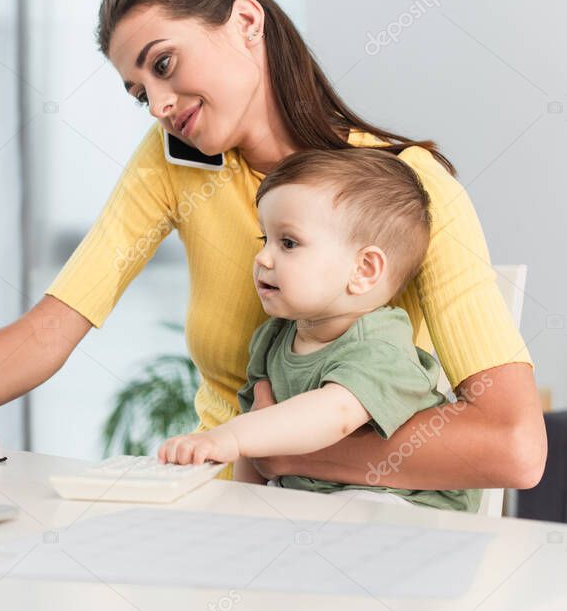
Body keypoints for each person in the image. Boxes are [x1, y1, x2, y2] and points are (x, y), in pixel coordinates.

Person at [0, 0, 545, 491]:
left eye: (164, 63)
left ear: (246, 23)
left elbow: (513, 448)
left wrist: (271, 451)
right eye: (135, 89)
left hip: (354, 513)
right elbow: (54, 326)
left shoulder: (405, 187)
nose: (156, 104)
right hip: (221, 498)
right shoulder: (173, 162)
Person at [158, 148, 482, 512]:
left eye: (289, 243)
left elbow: (335, 415)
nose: (263, 258)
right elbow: (257, 434)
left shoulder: (380, 343)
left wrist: (229, 437)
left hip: (407, 505)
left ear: (364, 270)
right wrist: (243, 509)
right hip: (324, 507)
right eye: (264, 239)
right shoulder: (272, 339)